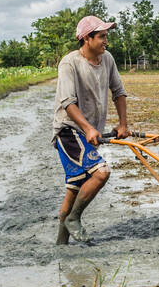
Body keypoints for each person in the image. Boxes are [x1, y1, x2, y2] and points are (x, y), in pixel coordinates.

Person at [52, 15, 129, 244]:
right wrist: (87, 128)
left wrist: (123, 124)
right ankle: (74, 218)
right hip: (69, 131)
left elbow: (119, 92)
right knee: (101, 172)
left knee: (74, 188)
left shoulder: (107, 60)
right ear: (87, 38)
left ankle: (61, 245)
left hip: (88, 132)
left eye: (106, 36)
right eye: (102, 36)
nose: (106, 41)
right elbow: (68, 102)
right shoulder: (70, 63)